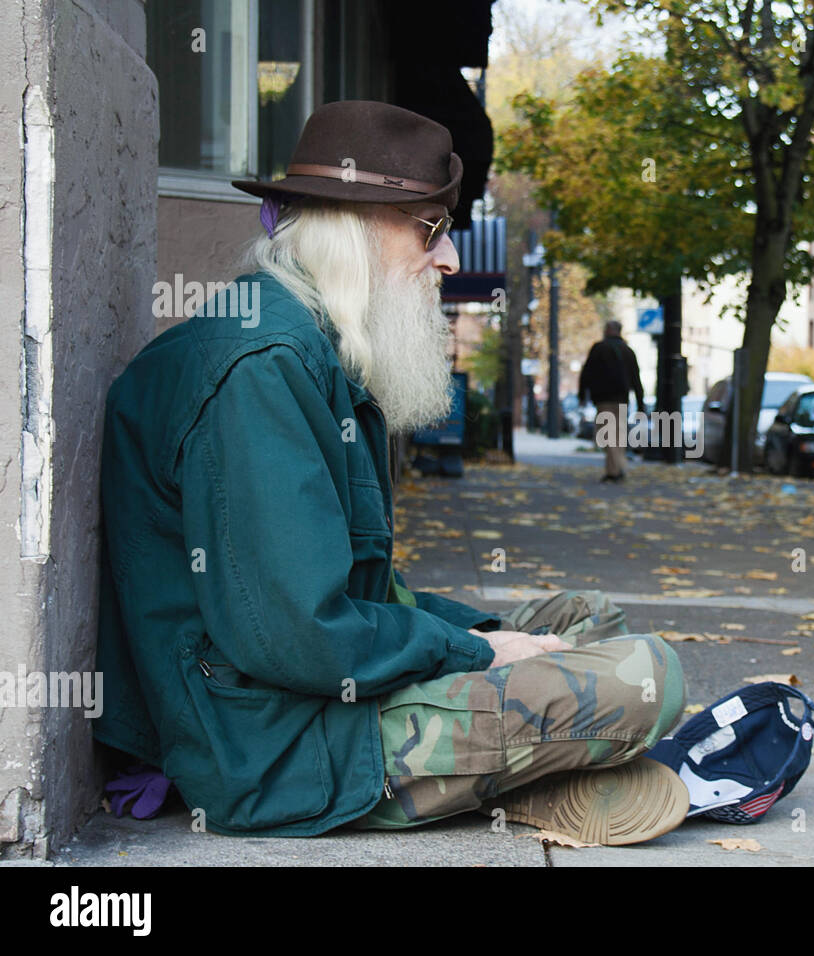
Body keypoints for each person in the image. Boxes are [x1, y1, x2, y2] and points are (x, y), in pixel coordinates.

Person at [94, 101, 687, 845]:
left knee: (583, 619)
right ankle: (530, 776)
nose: (449, 261)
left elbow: (362, 596)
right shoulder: (265, 370)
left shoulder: (301, 346)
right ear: (349, 228)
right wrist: (477, 650)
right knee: (650, 676)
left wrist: (489, 634)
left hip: (300, 704)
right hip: (270, 752)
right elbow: (302, 636)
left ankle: (530, 776)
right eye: (429, 229)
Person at [578, 321, 645, 482]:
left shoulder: (599, 348)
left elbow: (586, 373)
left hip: (603, 399)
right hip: (622, 400)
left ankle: (617, 469)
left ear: (608, 330)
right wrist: (640, 403)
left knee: (607, 435)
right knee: (617, 435)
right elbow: (636, 379)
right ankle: (613, 470)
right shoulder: (628, 351)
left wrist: (582, 395)